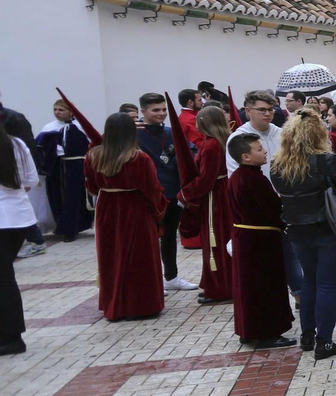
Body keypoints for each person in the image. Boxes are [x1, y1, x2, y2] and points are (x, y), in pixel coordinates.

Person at [271, 110, 336, 358]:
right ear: (318, 134)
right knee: (329, 285)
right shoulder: (325, 161)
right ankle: (325, 342)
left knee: (309, 281)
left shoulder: (277, 164)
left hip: (298, 229)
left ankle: (307, 335)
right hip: (330, 229)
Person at [83, 113, 167, 322]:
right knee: (139, 257)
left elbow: (92, 187)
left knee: (111, 256)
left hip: (107, 209)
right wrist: (159, 211)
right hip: (135, 208)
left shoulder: (93, 156)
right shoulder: (139, 158)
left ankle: (114, 304)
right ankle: (141, 305)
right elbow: (152, 189)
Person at [226, 133, 295, 348]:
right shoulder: (253, 179)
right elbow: (271, 210)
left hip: (246, 237)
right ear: (245, 156)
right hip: (260, 240)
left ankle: (249, 330)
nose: (264, 151)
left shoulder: (238, 176)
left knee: (249, 288)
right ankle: (267, 333)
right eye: (258, 149)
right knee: (265, 286)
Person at [135, 93, 198, 293]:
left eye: (163, 109)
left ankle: (171, 276)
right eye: (156, 110)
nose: (161, 113)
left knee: (170, 236)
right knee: (149, 238)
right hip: (149, 195)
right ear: (143, 111)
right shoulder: (135, 134)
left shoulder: (172, 133)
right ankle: (151, 279)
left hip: (173, 192)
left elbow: (190, 153)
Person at [180, 106, 234, 304]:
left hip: (214, 198)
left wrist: (185, 194)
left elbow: (206, 179)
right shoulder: (224, 140)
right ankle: (218, 284)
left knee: (216, 242)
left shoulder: (211, 145)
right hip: (222, 193)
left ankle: (220, 288)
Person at [1, 123, 40, 354]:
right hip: (19, 217)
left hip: (6, 219)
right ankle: (10, 335)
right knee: (5, 277)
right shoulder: (15, 143)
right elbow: (30, 180)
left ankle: (11, 337)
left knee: (3, 279)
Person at [35, 99, 92, 241]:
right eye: (55, 110)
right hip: (56, 167)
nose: (57, 113)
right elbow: (39, 148)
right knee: (57, 197)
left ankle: (71, 229)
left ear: (71, 111)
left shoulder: (80, 126)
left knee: (73, 197)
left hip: (76, 166)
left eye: (61, 110)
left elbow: (90, 146)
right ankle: (63, 226)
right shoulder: (49, 127)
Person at [0, 93, 46, 260]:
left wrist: (25, 178)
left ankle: (36, 240)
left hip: (13, 179)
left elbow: (27, 148)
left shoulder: (14, 119)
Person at [226, 91, 283, 176]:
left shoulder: (282, 133)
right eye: (262, 110)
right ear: (248, 111)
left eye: (270, 109)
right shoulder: (239, 137)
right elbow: (235, 173)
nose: (267, 114)